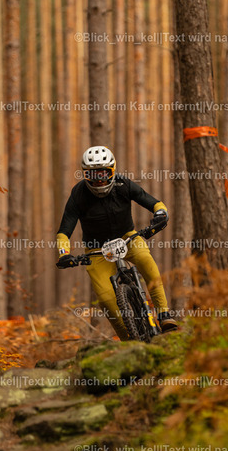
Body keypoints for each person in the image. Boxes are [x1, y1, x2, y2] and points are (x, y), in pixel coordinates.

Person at [56, 145, 178, 340]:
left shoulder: (123, 184)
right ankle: (127, 340)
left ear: (112, 171)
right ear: (85, 174)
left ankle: (164, 315)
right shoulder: (78, 194)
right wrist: (64, 253)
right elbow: (64, 231)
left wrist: (161, 214)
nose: (99, 179)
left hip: (127, 238)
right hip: (96, 249)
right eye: (93, 175)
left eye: (104, 173)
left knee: (147, 263)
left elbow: (153, 202)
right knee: (106, 299)